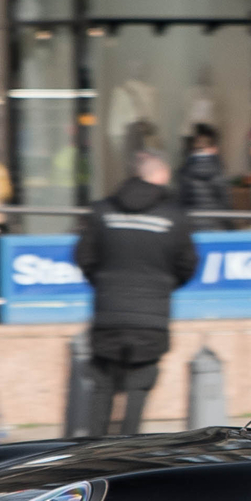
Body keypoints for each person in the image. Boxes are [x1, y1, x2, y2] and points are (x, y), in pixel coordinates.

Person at [73, 149, 198, 436]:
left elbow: (84, 257)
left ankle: (92, 453)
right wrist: (161, 287)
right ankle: (128, 450)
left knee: (102, 386)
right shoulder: (174, 217)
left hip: (108, 315)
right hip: (151, 319)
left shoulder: (102, 211)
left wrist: (106, 284)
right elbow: (188, 264)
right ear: (160, 176)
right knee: (139, 388)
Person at [177, 126, 231, 214]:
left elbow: (182, 199)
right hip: (214, 219)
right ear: (213, 148)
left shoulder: (185, 170)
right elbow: (223, 198)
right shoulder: (216, 169)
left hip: (191, 221)